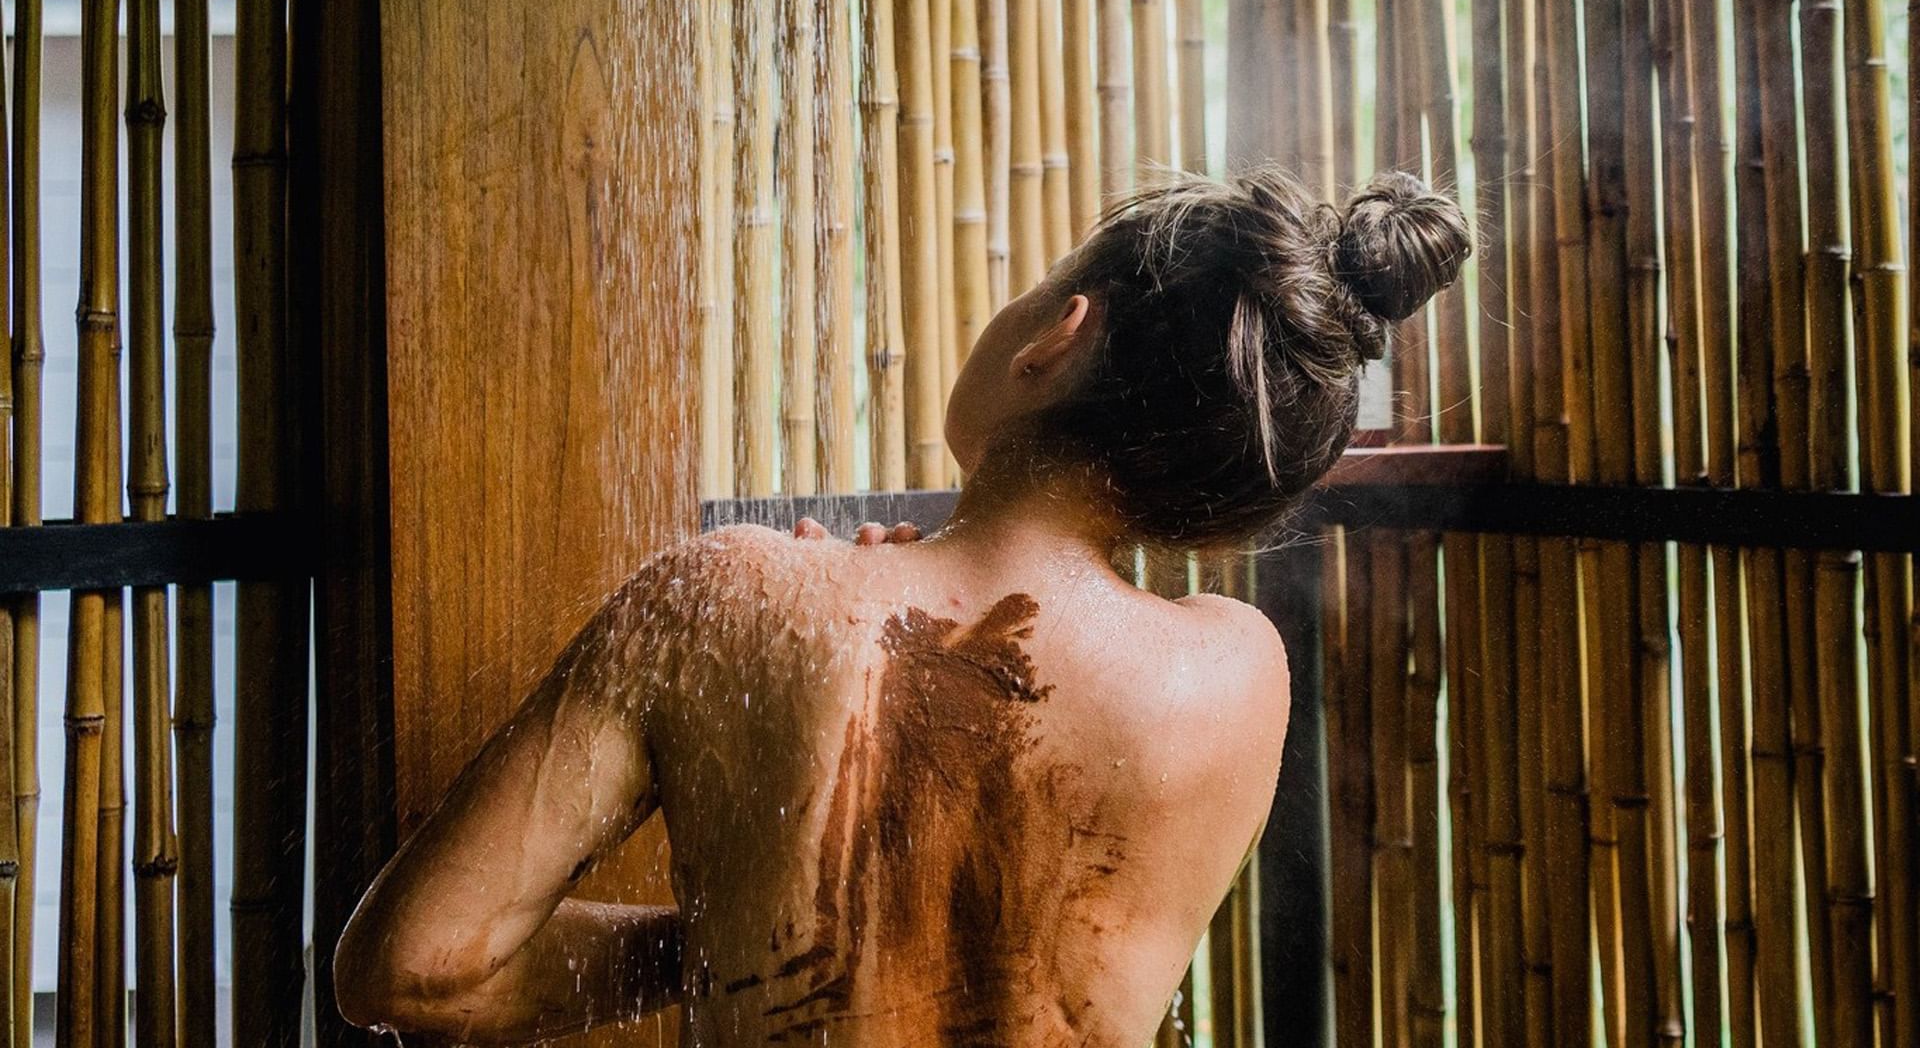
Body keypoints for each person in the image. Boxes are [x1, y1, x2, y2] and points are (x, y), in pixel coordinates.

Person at [335, 167, 1471, 1045]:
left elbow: (417, 965)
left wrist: (730, 942)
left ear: (1057, 335)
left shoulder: (728, 599)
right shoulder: (1238, 678)